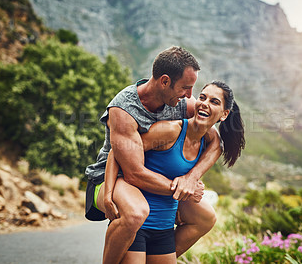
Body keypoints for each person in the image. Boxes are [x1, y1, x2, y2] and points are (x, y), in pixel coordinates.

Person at [85, 46, 222, 263]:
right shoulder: (124, 110)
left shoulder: (182, 103)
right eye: (186, 88)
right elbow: (133, 174)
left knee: (205, 217)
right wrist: (182, 189)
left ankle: (155, 256)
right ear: (165, 81)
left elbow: (215, 142)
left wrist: (192, 178)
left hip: (152, 182)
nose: (190, 96)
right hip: (111, 178)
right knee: (136, 213)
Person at [97, 81, 245, 263]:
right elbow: (117, 150)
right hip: (136, 225)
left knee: (207, 217)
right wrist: (109, 194)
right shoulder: (170, 130)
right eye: (202, 97)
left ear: (224, 115)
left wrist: (191, 180)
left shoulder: (208, 144)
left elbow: (217, 147)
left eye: (214, 102)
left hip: (164, 228)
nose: (205, 103)